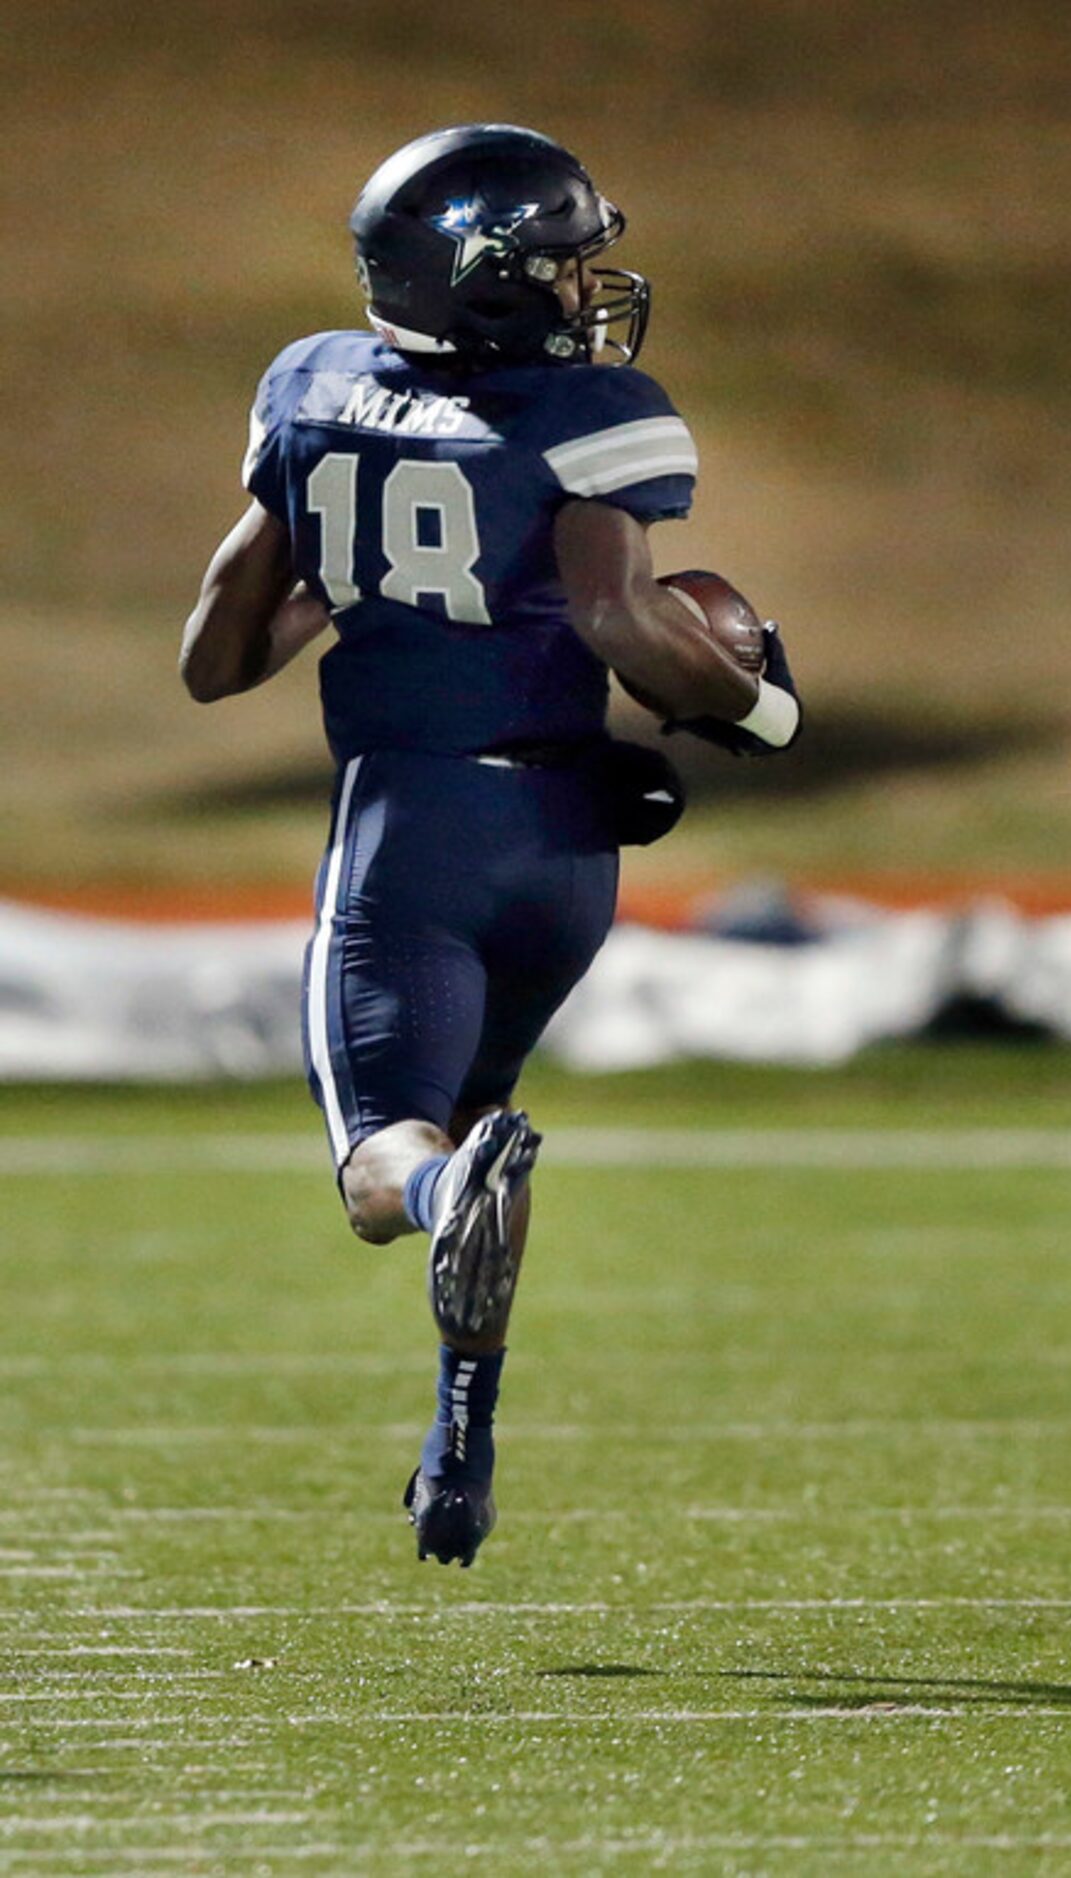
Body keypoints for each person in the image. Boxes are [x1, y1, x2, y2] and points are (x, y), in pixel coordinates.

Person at [177, 124, 803, 1567]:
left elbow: (221, 652)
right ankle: (459, 1436)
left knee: (387, 1169)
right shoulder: (597, 417)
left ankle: (447, 1207)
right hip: (568, 845)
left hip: (415, 832)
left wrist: (359, 584)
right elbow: (619, 620)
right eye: (568, 264)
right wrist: (757, 706)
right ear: (494, 279)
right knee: (477, 1148)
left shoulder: (312, 387)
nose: (591, 288)